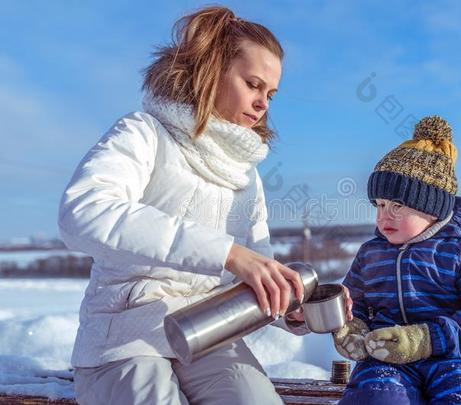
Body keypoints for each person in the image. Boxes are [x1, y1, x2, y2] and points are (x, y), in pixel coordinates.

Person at [58, 6, 314, 404]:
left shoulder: (246, 172)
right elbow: (84, 211)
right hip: (126, 335)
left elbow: (253, 276)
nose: (263, 103)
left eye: (270, 93)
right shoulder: (144, 133)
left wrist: (289, 308)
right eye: (252, 84)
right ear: (212, 70)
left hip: (210, 336)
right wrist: (226, 253)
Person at [332, 116, 461, 404]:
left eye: (397, 206)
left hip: (455, 358)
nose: (384, 216)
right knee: (375, 396)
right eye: (379, 205)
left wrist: (429, 338)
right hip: (386, 357)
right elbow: (352, 304)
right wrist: (354, 329)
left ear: (432, 209)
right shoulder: (371, 254)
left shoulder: (459, 253)